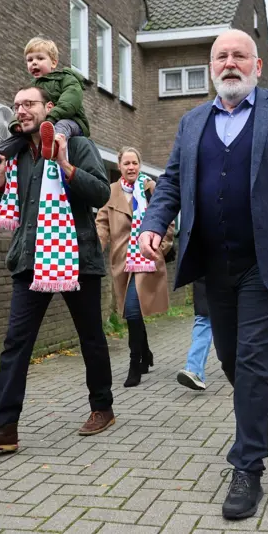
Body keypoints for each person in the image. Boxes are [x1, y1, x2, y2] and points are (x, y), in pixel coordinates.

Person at [137, 29, 268, 520]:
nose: (229, 63)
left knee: (255, 364)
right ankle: (266, 420)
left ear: (257, 66)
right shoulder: (192, 121)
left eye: (239, 55)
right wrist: (153, 224)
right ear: (212, 67)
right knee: (233, 361)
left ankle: (247, 467)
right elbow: (171, 181)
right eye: (220, 57)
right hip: (214, 262)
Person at [0, 86, 115, 452]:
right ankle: (4, 429)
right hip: (31, 259)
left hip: (75, 257)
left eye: (28, 104)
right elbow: (16, 206)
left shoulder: (76, 144)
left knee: (90, 336)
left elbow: (101, 194)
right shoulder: (17, 154)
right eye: (16, 105)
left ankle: (102, 407)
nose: (20, 110)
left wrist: (64, 164)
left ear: (49, 108)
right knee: (16, 343)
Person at [96, 147, 175, 388]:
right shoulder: (109, 193)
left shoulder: (150, 189)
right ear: (119, 166)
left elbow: (167, 220)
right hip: (122, 262)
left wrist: (160, 246)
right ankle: (147, 351)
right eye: (126, 163)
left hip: (146, 258)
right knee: (135, 312)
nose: (131, 167)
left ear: (139, 165)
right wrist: (93, 250)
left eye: (135, 163)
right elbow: (101, 224)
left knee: (132, 309)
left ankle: (135, 364)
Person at [0, 37, 90, 171]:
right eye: (30, 60)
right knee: (19, 136)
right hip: (44, 125)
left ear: (53, 63)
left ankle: (55, 146)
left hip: (72, 121)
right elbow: (20, 107)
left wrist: (52, 116)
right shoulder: (30, 88)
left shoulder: (65, 79)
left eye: (40, 59)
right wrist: (15, 123)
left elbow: (71, 99)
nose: (34, 63)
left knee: (62, 124)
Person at [177, 278, 213, 391]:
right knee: (203, 320)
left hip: (237, 278)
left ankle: (194, 370)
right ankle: (193, 371)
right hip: (206, 277)